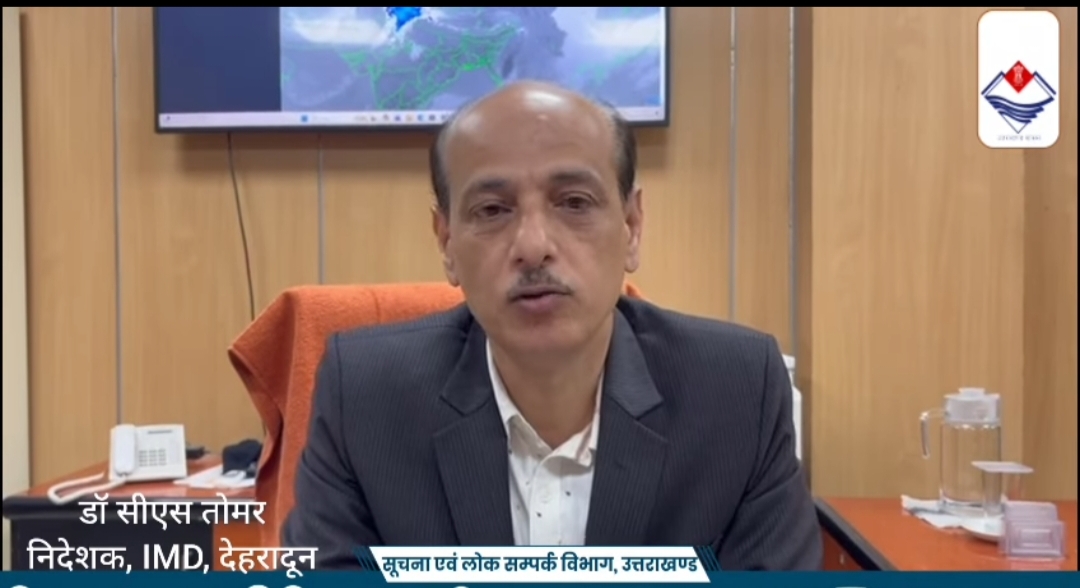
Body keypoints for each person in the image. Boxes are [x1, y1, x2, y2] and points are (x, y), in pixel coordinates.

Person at [283, 81, 823, 571]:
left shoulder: (737, 393)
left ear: (632, 227)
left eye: (574, 203)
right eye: (492, 210)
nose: (533, 246)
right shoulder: (365, 398)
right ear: (446, 243)